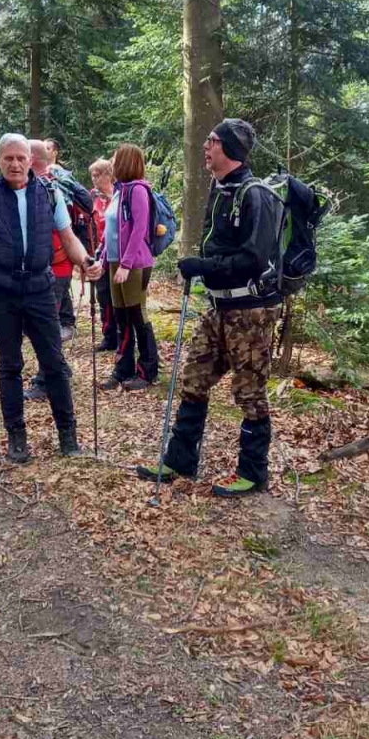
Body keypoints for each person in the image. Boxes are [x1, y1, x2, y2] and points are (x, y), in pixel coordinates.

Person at [136, 120, 282, 497]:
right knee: (194, 378)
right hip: (219, 307)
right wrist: (205, 267)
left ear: (230, 148)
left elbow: (255, 257)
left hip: (250, 311)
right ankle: (179, 460)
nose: (206, 145)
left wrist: (205, 267)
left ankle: (253, 472)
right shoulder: (221, 191)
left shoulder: (256, 195)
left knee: (249, 391)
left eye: (213, 140)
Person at [0, 133, 101, 462]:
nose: (15, 164)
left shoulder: (48, 194)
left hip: (39, 288)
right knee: (10, 365)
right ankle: (16, 437)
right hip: (0, 290)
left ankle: (69, 436)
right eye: (8, 158)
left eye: (21, 157)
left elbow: (69, 238)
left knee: (55, 363)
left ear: (31, 160)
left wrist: (87, 261)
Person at [100, 144, 159, 392]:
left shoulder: (137, 191)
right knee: (121, 317)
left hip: (134, 264)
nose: (112, 162)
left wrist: (126, 263)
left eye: (115, 158)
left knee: (137, 315)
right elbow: (112, 232)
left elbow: (139, 230)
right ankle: (123, 368)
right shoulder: (119, 191)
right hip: (116, 263)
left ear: (125, 161)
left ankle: (147, 370)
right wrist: (103, 260)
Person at [24, 138, 78, 399]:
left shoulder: (49, 188)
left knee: (46, 325)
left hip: (55, 266)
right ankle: (60, 369)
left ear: (31, 160)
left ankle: (47, 380)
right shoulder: (45, 185)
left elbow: (63, 233)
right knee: (44, 322)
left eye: (22, 156)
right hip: (53, 265)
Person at [89, 158, 118, 352]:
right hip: (99, 254)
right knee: (103, 295)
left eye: (98, 174)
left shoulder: (119, 194)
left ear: (108, 174)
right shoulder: (93, 197)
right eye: (92, 175)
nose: (94, 179)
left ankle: (123, 335)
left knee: (119, 297)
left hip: (117, 253)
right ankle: (109, 336)